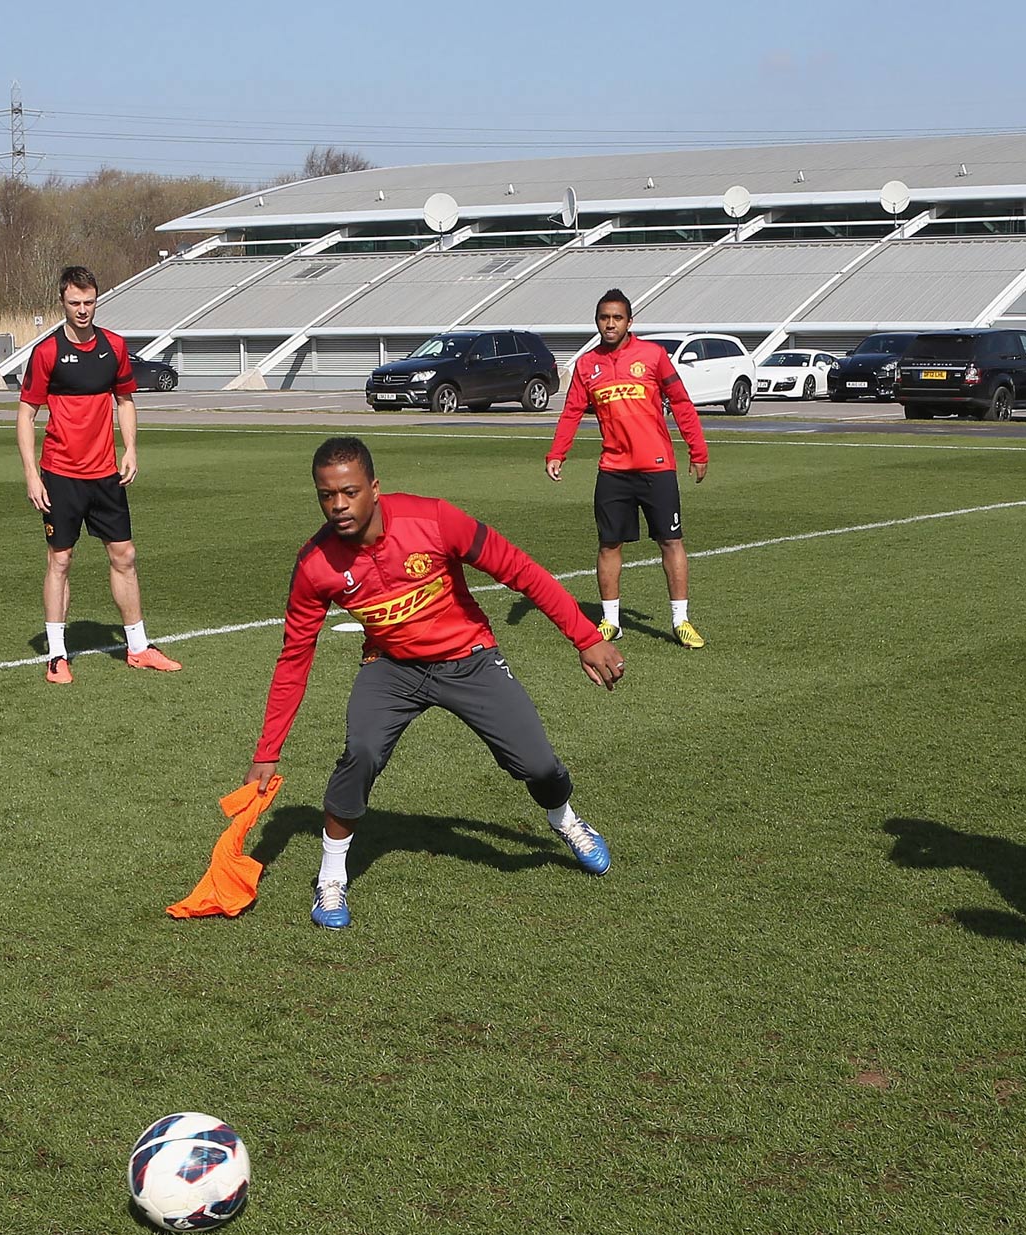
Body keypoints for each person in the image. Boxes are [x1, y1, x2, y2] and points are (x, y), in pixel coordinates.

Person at [246, 437, 626, 929]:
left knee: (538, 764)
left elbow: (521, 571)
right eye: (326, 495)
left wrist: (584, 636)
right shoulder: (315, 564)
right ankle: (331, 878)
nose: (338, 506)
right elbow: (295, 656)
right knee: (359, 753)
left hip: (469, 658)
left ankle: (567, 822)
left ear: (374, 489)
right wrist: (267, 750)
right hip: (391, 669)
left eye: (350, 492)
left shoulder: (435, 519)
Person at [17, 263, 181, 682]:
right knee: (61, 560)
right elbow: (26, 413)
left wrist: (131, 449)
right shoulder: (47, 352)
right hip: (61, 475)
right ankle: (57, 654)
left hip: (106, 474)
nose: (83, 310)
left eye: (89, 302)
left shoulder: (115, 347)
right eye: (75, 303)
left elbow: (125, 400)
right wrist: (31, 475)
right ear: (62, 302)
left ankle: (139, 647)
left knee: (124, 556)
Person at [545, 289, 709, 649]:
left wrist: (698, 451)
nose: (610, 324)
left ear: (629, 322)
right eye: (604, 318)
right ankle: (611, 621)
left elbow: (681, 403)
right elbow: (572, 411)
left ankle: (681, 621)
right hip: (614, 470)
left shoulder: (653, 356)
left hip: (657, 468)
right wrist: (557, 452)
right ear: (597, 321)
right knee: (609, 544)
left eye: (617, 318)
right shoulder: (588, 365)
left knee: (671, 541)